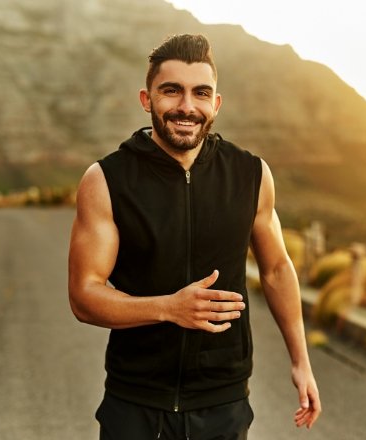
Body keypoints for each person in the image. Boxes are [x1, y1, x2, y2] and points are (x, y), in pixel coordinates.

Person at [68, 33, 321, 440]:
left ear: (215, 104)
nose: (187, 106)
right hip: (136, 403)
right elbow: (84, 295)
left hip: (223, 402)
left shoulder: (251, 174)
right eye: (172, 91)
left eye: (201, 93)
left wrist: (301, 361)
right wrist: (169, 308)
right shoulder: (106, 180)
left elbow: (275, 269)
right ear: (146, 99)